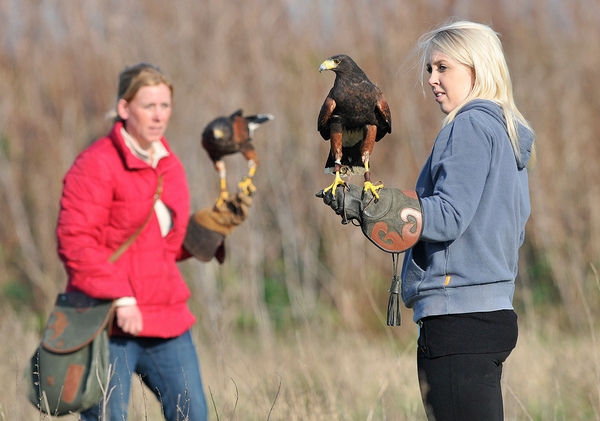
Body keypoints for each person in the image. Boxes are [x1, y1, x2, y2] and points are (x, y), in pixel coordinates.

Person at [317, 20, 535, 421]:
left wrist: (375, 207)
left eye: (443, 67)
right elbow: (516, 224)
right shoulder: (507, 131)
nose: (432, 79)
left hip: (457, 320)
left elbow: (449, 216)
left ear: (477, 67)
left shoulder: (468, 126)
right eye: (430, 69)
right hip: (494, 314)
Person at [56, 62, 251, 420]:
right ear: (124, 108)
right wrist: (122, 298)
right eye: (149, 106)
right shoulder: (96, 164)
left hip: (165, 314)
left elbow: (162, 247)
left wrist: (209, 232)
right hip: (107, 320)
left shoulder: (170, 164)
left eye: (165, 105)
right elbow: (75, 241)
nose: (159, 116)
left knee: (193, 415)